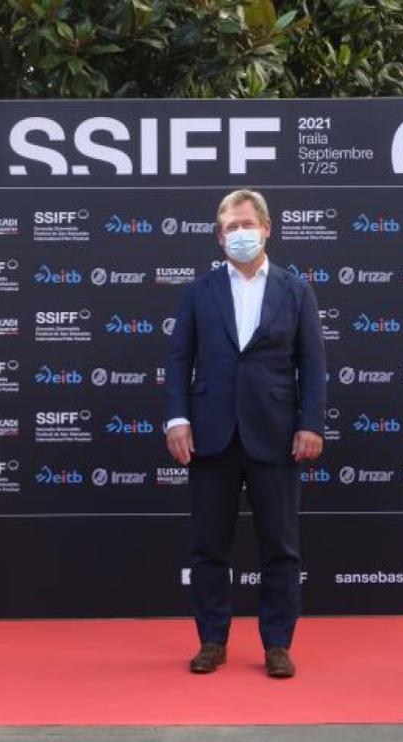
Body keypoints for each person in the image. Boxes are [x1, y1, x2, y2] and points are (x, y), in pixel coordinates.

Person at [164, 189, 326, 677]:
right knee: (208, 545)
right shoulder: (199, 291)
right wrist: (177, 419)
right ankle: (212, 639)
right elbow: (178, 362)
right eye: (230, 227)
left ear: (267, 229)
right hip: (211, 436)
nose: (239, 234)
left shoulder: (295, 290)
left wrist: (311, 423)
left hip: (275, 435)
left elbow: (313, 366)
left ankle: (277, 643)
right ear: (219, 236)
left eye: (246, 224)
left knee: (280, 545)